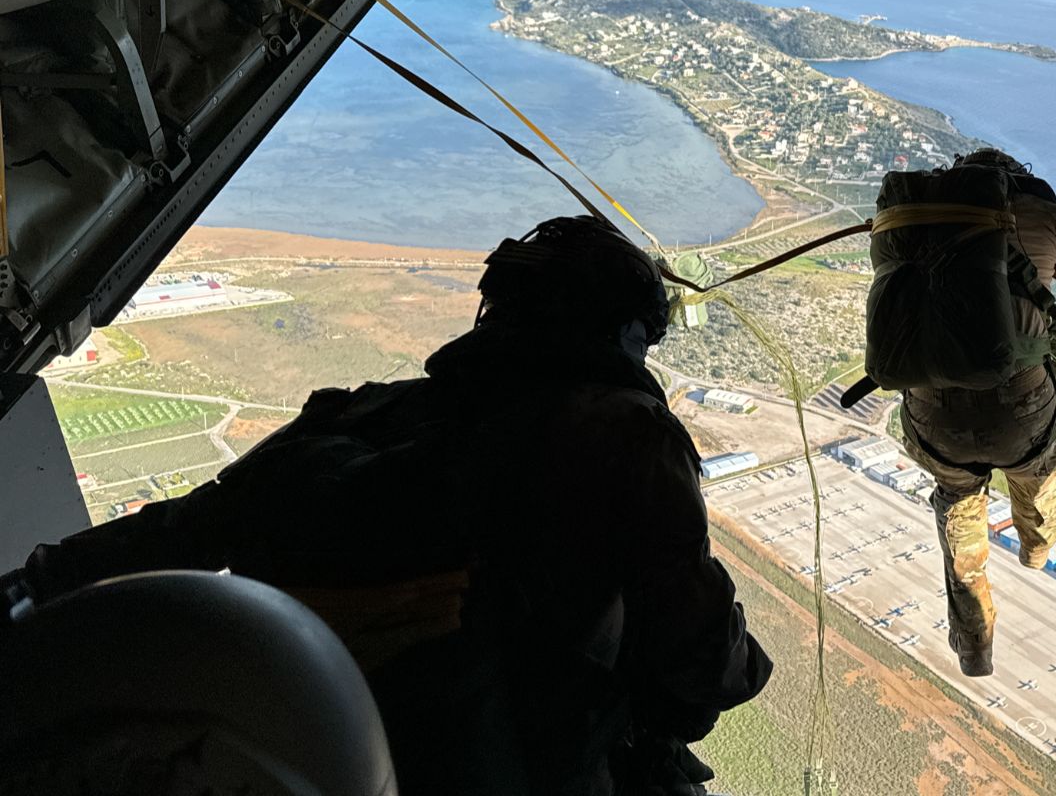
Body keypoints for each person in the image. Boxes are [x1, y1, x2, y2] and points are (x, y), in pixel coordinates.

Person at [10, 215, 771, 795]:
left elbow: (188, 526)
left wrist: (34, 585)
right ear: (621, 331)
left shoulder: (360, 417)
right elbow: (702, 661)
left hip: (343, 748)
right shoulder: (626, 435)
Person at [901, 148, 1056, 677]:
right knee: (1038, 472)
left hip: (934, 419)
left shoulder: (912, 218)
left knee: (957, 501)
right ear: (1018, 181)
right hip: (1024, 415)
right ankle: (1036, 548)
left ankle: (973, 644)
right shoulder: (1046, 218)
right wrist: (1054, 344)